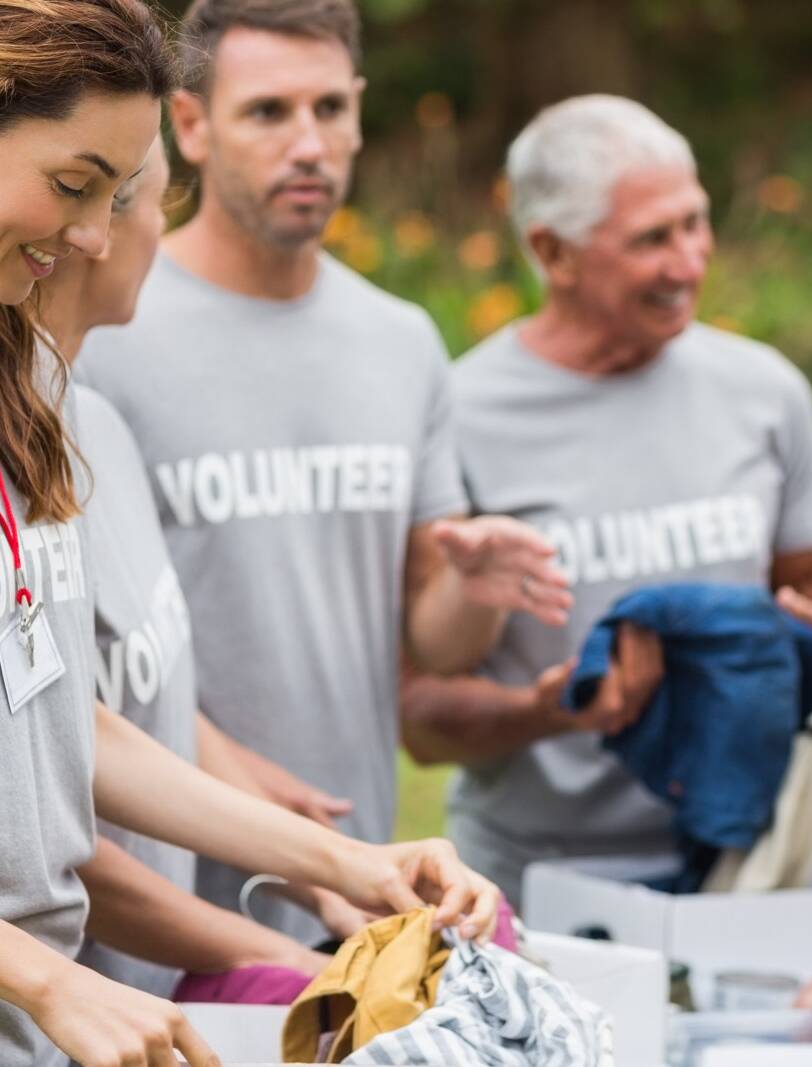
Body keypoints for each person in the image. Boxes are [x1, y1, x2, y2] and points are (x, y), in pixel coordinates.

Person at [0, 8, 499, 1063]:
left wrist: (350, 861)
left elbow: (68, 723)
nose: (93, 234)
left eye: (112, 193)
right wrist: (47, 973)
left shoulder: (34, 404)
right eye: (74, 182)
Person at [77, 0, 569, 944]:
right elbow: (76, 668)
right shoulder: (110, 321)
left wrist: (471, 588)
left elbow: (436, 645)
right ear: (190, 126)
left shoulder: (402, 340)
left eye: (329, 109)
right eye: (268, 112)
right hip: (146, 898)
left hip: (358, 887)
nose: (308, 144)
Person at [401, 95, 812, 905]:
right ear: (553, 251)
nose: (689, 262)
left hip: (747, 865)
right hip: (535, 879)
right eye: (653, 238)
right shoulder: (458, 410)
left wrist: (793, 660)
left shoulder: (763, 392)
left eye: (695, 222)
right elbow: (421, 714)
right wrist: (548, 711)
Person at [38, 137, 357, 997]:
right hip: (77, 1001)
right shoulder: (26, 455)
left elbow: (131, 688)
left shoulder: (96, 424)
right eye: (160, 202)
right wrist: (267, 951)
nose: (161, 232)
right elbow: (48, 797)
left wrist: (311, 854)